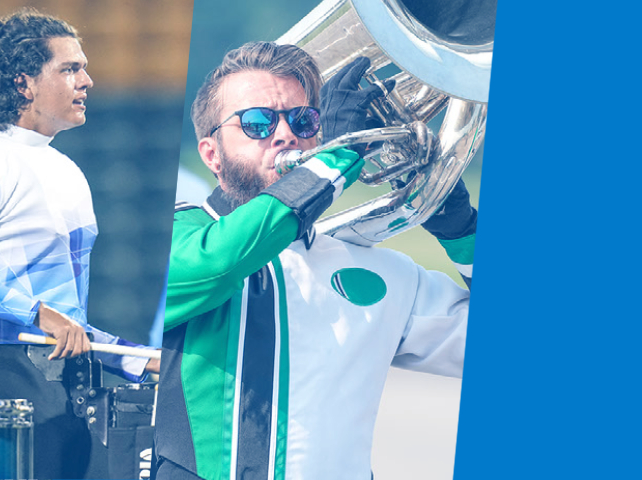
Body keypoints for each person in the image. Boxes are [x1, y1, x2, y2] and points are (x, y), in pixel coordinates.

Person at [153, 42, 477, 480]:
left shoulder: (385, 273)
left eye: (304, 120)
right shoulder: (172, 236)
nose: (286, 135)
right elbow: (219, 264)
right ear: (211, 154)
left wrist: (464, 232)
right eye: (258, 122)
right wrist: (336, 158)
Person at [0, 11, 152, 479]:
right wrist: (39, 314)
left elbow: (66, 321)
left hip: (69, 389)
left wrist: (133, 357)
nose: (87, 81)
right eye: (70, 69)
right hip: (1, 380)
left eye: (83, 68)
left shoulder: (68, 170)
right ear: (24, 84)